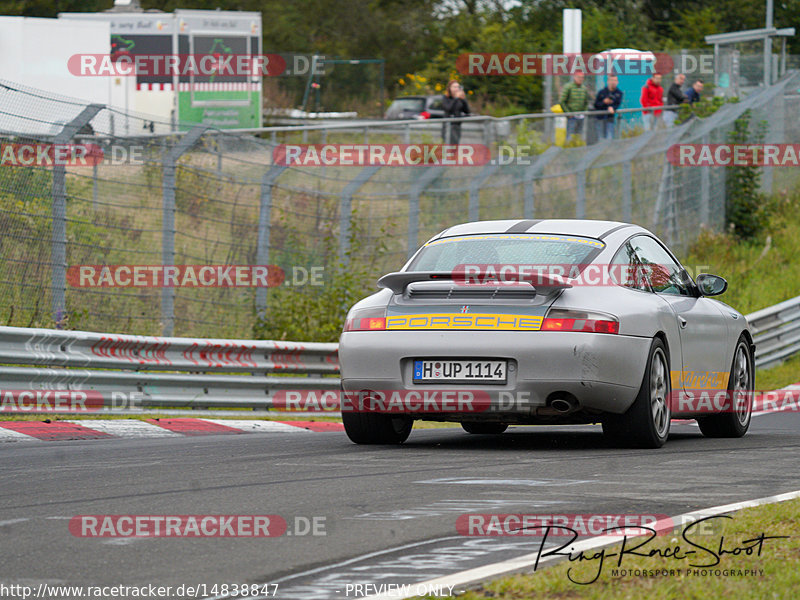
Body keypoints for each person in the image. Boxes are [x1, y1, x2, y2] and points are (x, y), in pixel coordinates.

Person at [559, 71, 590, 139]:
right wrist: (568, 113)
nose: (581, 79)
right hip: (571, 116)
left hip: (581, 116)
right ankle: (568, 148)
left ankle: (579, 148)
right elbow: (562, 101)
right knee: (570, 135)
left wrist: (584, 112)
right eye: (579, 77)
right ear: (574, 77)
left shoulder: (584, 88)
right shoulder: (568, 87)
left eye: (582, 78)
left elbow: (586, 102)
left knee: (580, 135)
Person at [593, 74, 623, 140]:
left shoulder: (619, 93)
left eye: (615, 80)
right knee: (600, 138)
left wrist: (612, 107)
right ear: (608, 81)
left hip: (610, 119)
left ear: (617, 82)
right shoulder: (602, 92)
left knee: (609, 138)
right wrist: (604, 102)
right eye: (612, 80)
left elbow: (617, 104)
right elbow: (596, 105)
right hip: (600, 118)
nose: (613, 82)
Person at [442, 80, 470, 145]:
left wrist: (463, 99)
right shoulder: (446, 98)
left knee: (455, 145)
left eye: (458, 87)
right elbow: (448, 108)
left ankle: (454, 155)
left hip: (457, 125)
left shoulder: (460, 99)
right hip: (448, 125)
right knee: (446, 144)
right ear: (450, 88)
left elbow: (467, 111)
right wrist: (456, 98)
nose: (456, 89)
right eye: (454, 87)